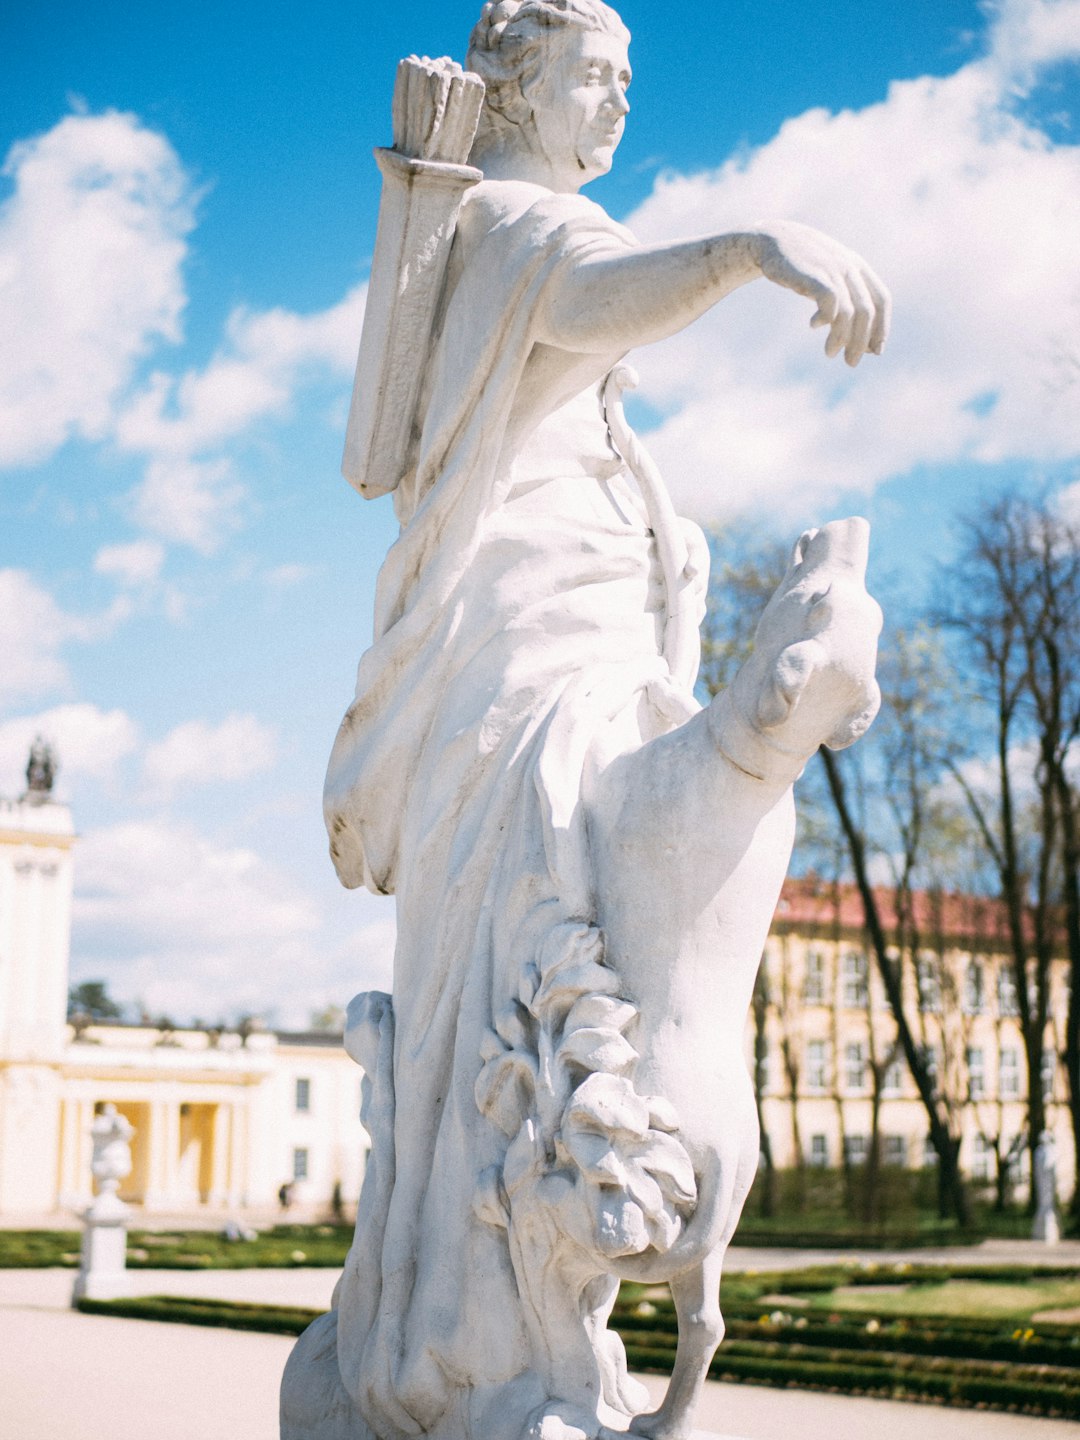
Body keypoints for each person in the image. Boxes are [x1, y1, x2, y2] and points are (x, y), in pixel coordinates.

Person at [310, 4, 889, 1438]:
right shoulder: (516, 226)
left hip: (552, 632)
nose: (619, 101)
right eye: (592, 73)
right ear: (514, 90)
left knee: (517, 952)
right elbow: (597, 298)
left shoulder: (507, 232)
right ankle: (466, 1335)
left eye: (631, 78)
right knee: (515, 942)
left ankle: (462, 1323)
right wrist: (750, 248)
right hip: (514, 646)